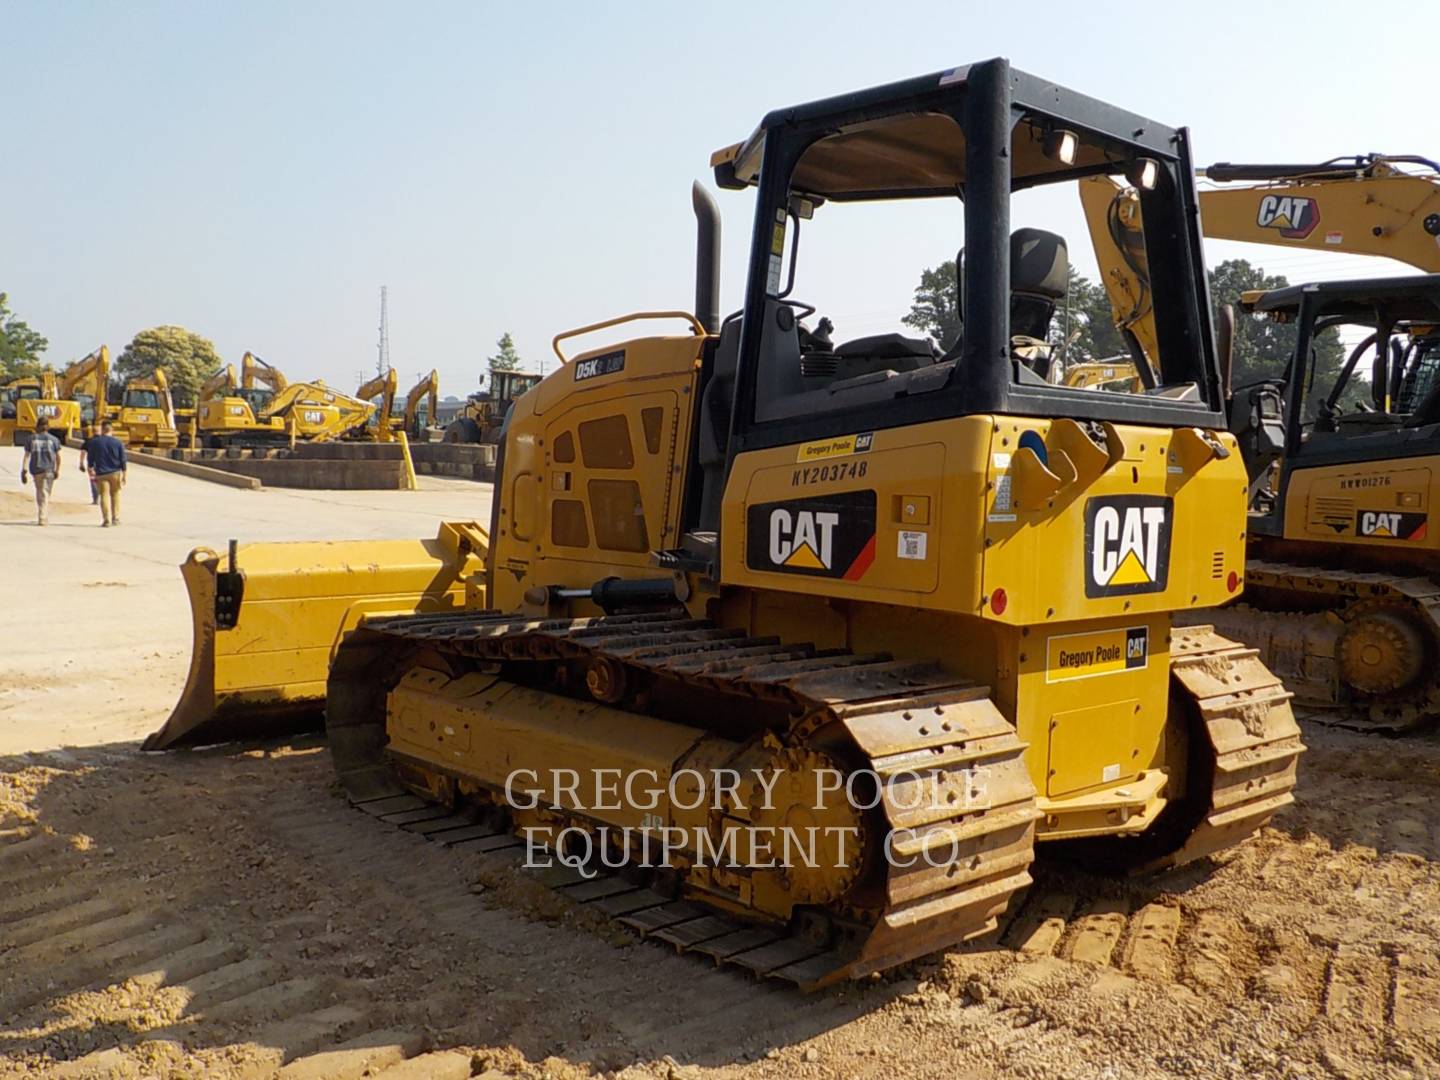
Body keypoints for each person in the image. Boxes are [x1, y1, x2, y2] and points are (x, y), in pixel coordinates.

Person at [19, 416, 62, 526]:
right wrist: (58, 470)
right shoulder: (54, 440)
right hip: (49, 470)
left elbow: (27, 455)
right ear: (48, 426)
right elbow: (58, 457)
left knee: (41, 492)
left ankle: (43, 514)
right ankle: (42, 517)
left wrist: (24, 469)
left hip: (36, 469)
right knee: (45, 493)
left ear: (38, 426)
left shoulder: (31, 439)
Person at [87, 420, 128, 527]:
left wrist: (90, 468)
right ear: (111, 429)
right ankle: (116, 518)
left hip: (101, 473)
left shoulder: (95, 442)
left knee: (104, 496)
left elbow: (90, 457)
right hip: (115, 472)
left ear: (102, 429)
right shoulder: (118, 443)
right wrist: (124, 474)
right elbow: (123, 459)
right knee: (115, 495)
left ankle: (106, 520)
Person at [78, 424, 100, 504]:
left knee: (93, 481)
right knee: (102, 480)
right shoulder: (104, 441)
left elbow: (83, 452)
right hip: (103, 464)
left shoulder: (88, 441)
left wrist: (81, 463)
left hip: (91, 464)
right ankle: (103, 496)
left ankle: (95, 498)